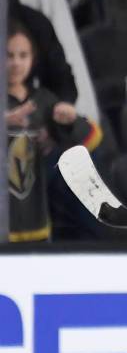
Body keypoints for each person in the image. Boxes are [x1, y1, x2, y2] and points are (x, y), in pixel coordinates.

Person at [6, 20, 103, 242]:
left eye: (23, 55)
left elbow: (92, 139)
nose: (16, 63)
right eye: (9, 55)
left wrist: (71, 120)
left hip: (37, 222)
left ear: (33, 59)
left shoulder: (44, 100)